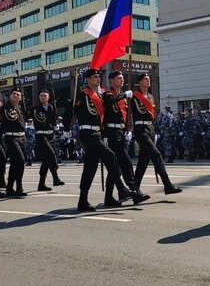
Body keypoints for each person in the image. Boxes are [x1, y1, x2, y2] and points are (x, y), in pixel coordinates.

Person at [62, 68, 129, 211]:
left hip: (97, 134)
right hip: (87, 133)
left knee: (90, 168)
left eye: (99, 77)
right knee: (111, 156)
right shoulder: (81, 95)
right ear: (87, 80)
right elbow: (69, 111)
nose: (98, 79)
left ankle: (83, 201)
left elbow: (103, 117)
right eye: (94, 77)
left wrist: (104, 134)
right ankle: (122, 188)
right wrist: (66, 129)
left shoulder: (99, 96)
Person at [102, 71, 150, 205]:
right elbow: (110, 102)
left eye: (122, 78)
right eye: (118, 78)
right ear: (111, 80)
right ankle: (135, 191)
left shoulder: (124, 97)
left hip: (121, 132)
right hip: (111, 132)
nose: (121, 80)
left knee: (115, 166)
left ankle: (108, 198)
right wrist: (124, 94)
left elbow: (127, 115)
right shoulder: (108, 94)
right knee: (126, 162)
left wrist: (128, 130)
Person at [130, 73, 182, 195]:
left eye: (149, 79)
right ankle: (168, 185)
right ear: (139, 82)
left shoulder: (150, 96)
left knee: (143, 160)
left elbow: (152, 116)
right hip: (140, 128)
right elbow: (127, 112)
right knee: (156, 154)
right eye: (145, 79)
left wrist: (155, 131)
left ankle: (135, 189)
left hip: (150, 128)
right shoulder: (133, 96)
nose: (148, 81)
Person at [0, 88, 31, 197]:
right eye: (14, 94)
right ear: (10, 96)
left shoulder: (21, 108)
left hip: (22, 137)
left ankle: (12, 187)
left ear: (21, 98)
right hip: (11, 137)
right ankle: (18, 186)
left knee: (16, 163)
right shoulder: (4, 108)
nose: (16, 96)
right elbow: (0, 122)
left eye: (18, 95)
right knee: (20, 159)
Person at [32, 89, 65, 191]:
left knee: (46, 161)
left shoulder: (51, 108)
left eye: (44, 96)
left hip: (50, 136)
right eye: (41, 96)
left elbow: (53, 120)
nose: (43, 97)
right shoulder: (35, 109)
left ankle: (41, 184)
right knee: (51, 154)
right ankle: (56, 177)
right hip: (41, 136)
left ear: (48, 97)